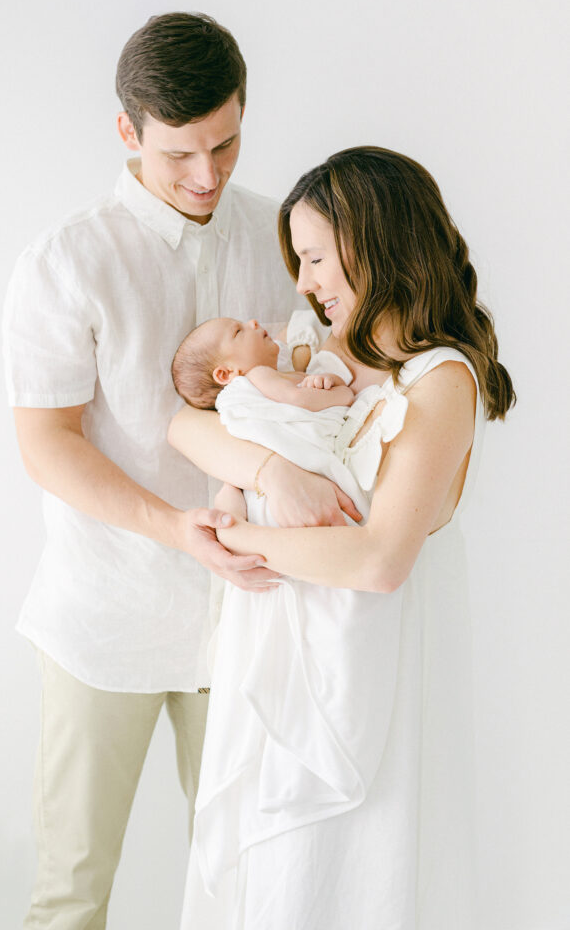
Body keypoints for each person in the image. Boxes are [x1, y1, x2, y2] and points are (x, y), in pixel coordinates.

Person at [2, 13, 359, 930]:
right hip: (103, 620)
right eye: (180, 156)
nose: (207, 176)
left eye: (227, 143)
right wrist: (176, 531)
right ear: (128, 133)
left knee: (251, 887)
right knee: (72, 893)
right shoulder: (66, 261)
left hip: (248, 624)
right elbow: (47, 443)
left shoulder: (282, 233)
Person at [168, 146, 515, 929]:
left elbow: (379, 560)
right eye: (300, 259)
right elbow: (187, 425)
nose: (304, 282)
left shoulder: (439, 380)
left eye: (317, 256)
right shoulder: (308, 354)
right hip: (276, 669)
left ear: (375, 245)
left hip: (366, 692)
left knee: (340, 886)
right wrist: (269, 476)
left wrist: (240, 543)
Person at [171, 314, 356, 409]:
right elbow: (297, 399)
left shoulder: (274, 377)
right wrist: (342, 395)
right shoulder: (257, 376)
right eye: (238, 331)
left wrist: (325, 380)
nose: (252, 322)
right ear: (226, 373)